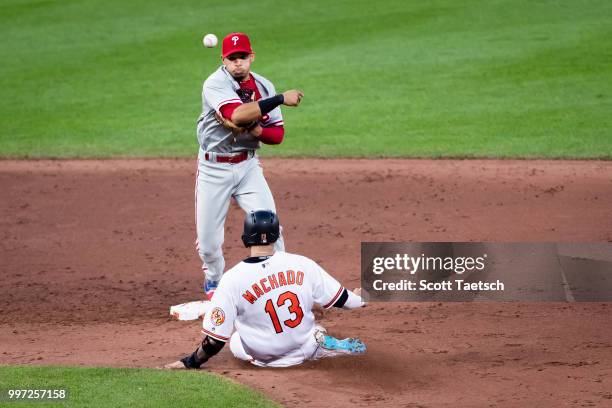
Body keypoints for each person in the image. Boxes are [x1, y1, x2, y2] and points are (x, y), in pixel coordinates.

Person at [165, 210, 366, 369]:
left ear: (245, 238)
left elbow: (215, 342)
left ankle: (308, 342)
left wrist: (190, 362)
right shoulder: (302, 263)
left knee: (235, 338)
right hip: (305, 346)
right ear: (277, 235)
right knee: (313, 332)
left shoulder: (231, 279)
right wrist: (358, 298)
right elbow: (341, 299)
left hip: (266, 358)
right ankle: (319, 341)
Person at [195, 32, 304, 299]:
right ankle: (214, 281)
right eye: (232, 59)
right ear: (224, 60)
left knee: (272, 227)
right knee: (209, 245)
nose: (237, 64)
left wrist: (256, 132)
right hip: (213, 168)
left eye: (242, 57)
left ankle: (281, 284)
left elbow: (276, 136)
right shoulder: (215, 83)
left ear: (251, 57)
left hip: (247, 167)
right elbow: (237, 114)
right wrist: (279, 99)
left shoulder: (263, 86)